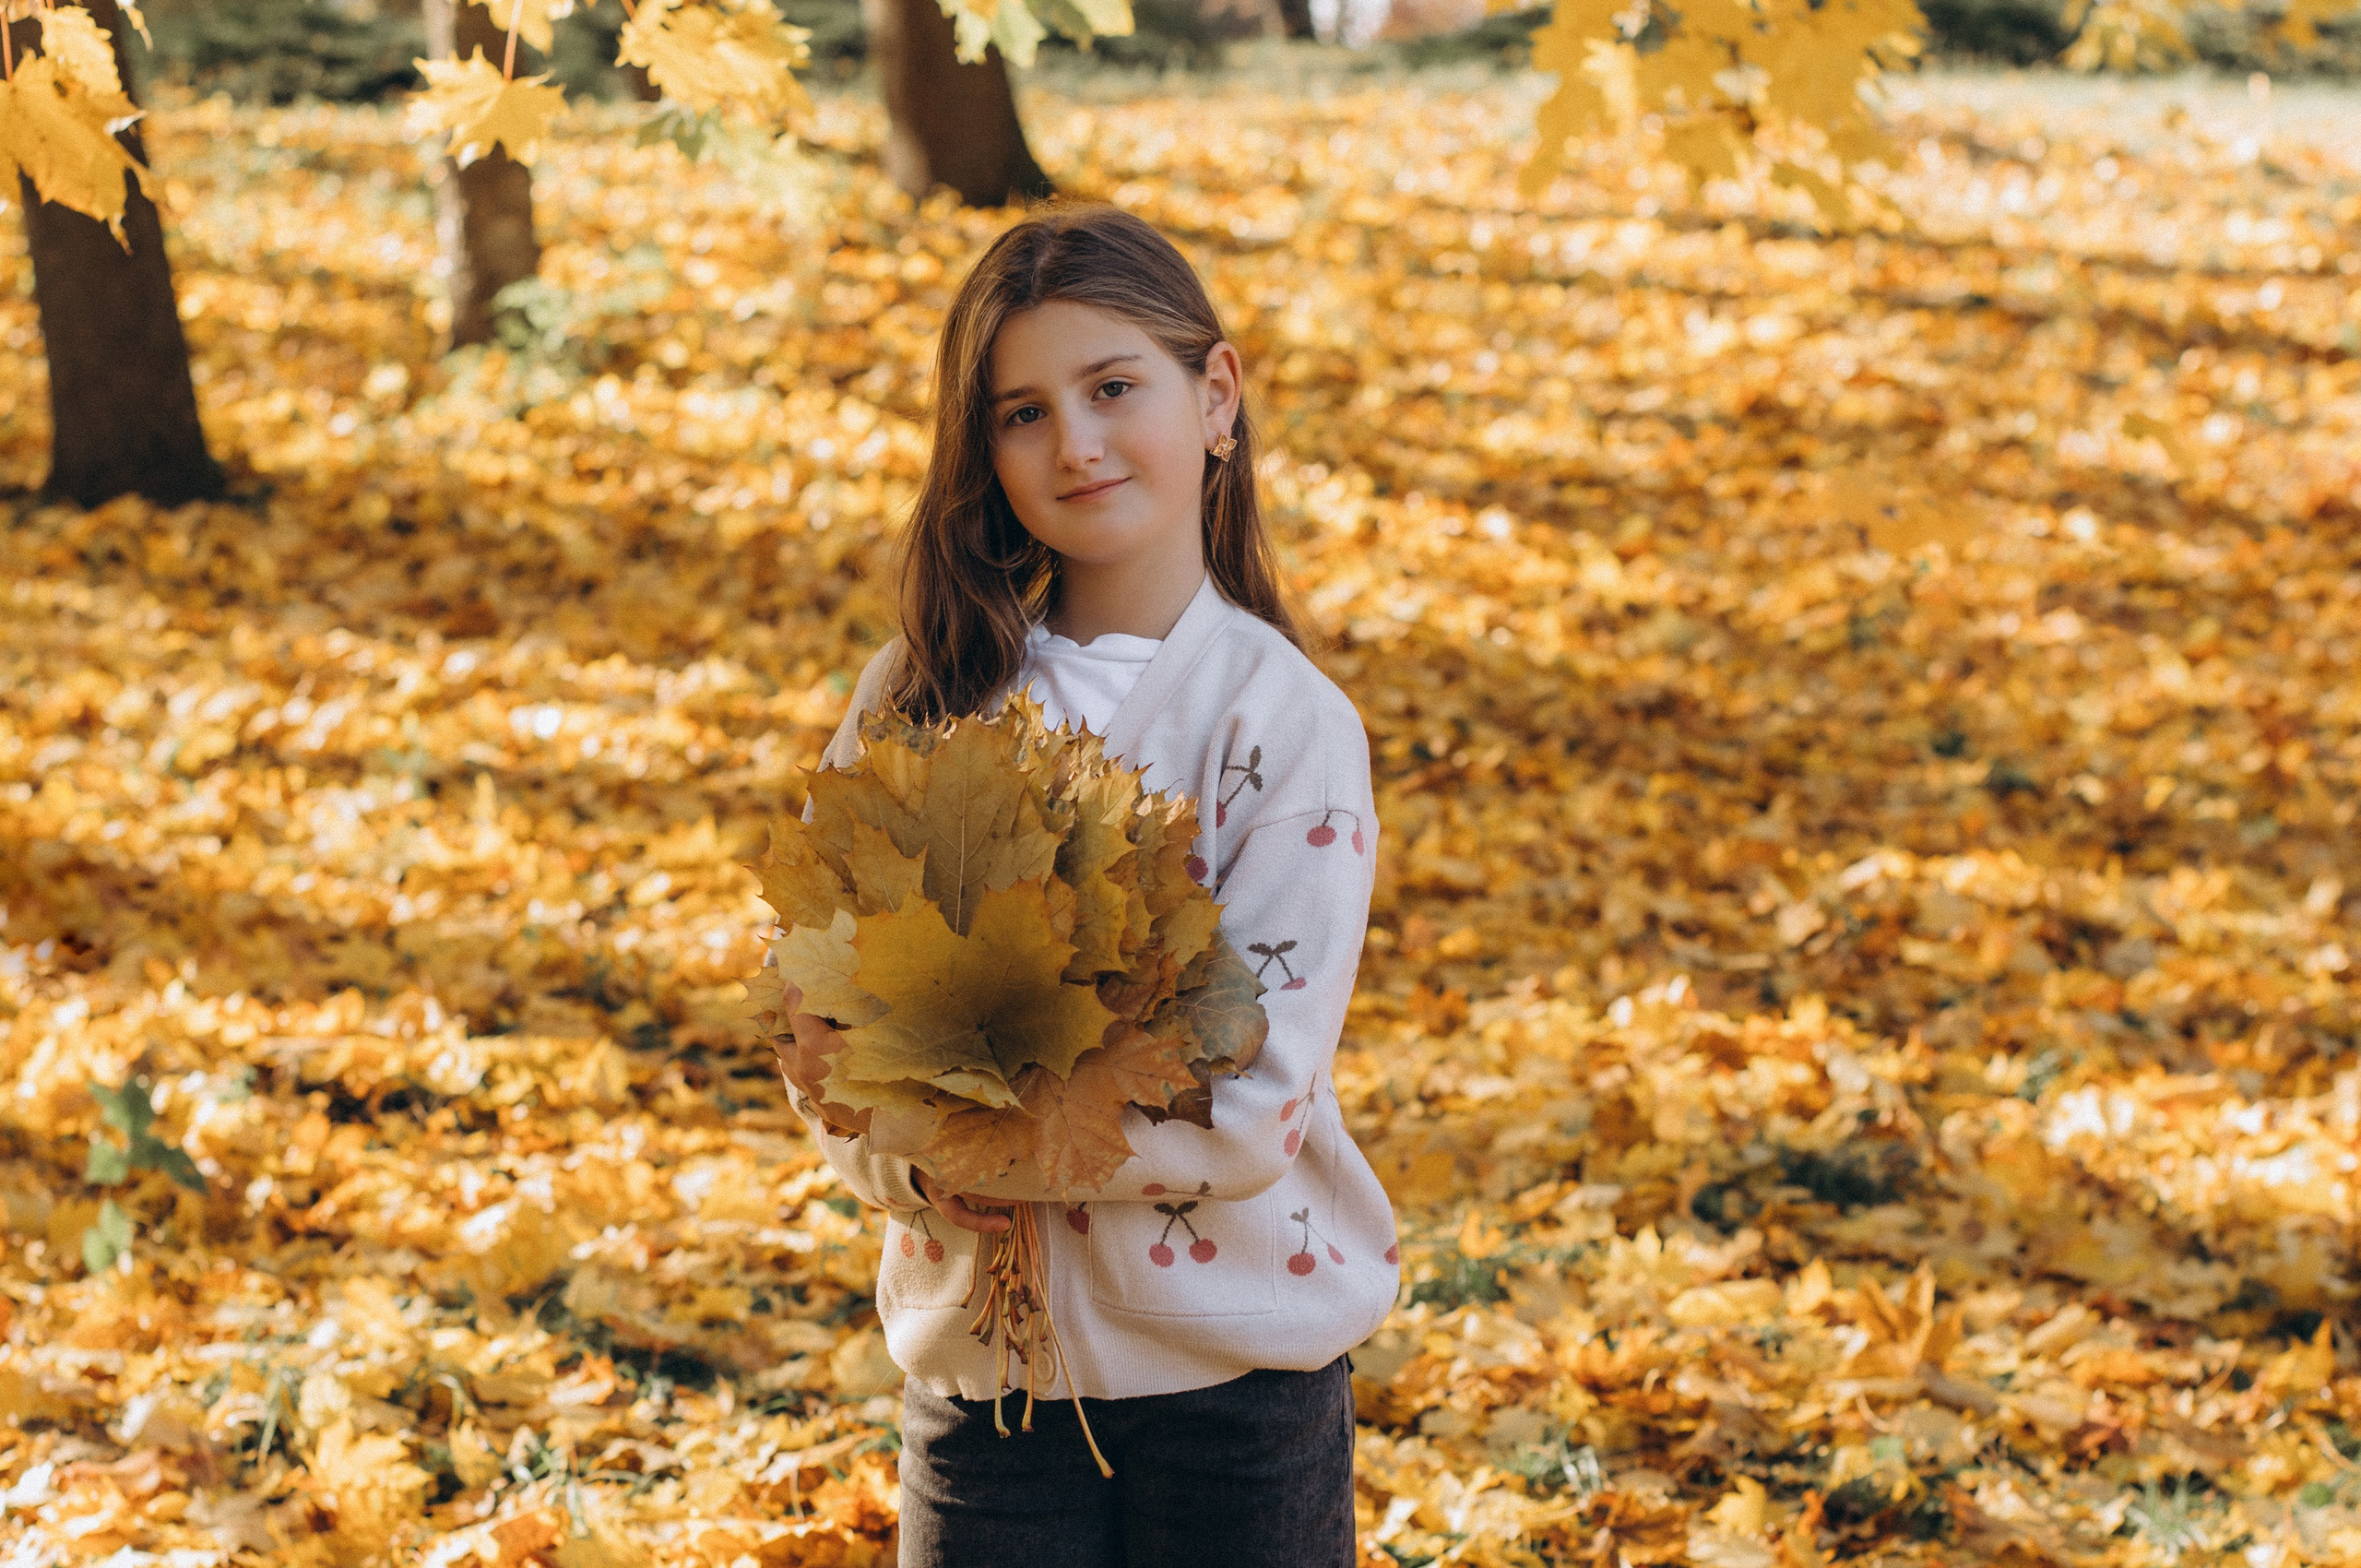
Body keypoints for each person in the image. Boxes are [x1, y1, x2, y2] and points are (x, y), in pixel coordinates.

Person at [774, 201, 1396, 1568]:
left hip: (1240, 1389)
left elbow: (1252, 1105)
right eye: (1023, 414)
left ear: (1215, 397)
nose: (1076, 443)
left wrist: (983, 1141)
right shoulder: (921, 697)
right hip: (985, 1388)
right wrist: (904, 1161)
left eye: (1114, 388)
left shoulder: (1281, 726)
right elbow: (821, 1024)